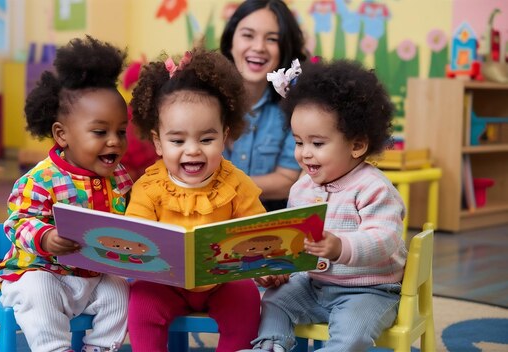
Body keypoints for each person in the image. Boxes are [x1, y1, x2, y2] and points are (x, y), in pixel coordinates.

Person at [240, 59, 408, 352]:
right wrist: (279, 269)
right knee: (273, 300)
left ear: (356, 145)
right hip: (313, 284)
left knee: (352, 331)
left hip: (369, 291)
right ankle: (271, 345)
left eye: (317, 144)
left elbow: (385, 239)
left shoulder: (374, 188)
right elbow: (295, 245)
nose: (305, 154)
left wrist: (340, 247)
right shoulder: (302, 188)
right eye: (298, 142)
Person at [0, 36, 132, 352]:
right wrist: (45, 237)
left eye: (121, 131)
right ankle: (55, 348)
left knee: (121, 291)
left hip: (95, 276)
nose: (114, 141)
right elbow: (18, 222)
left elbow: (132, 218)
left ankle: (99, 346)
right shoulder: (42, 179)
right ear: (62, 134)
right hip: (41, 273)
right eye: (100, 132)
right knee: (37, 293)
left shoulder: (121, 177)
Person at [126, 48, 267, 352]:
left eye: (206, 139)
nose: (192, 151)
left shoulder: (236, 183)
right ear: (158, 143)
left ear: (225, 135)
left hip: (223, 285)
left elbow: (259, 231)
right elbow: (135, 237)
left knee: (247, 298)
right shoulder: (148, 187)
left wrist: (264, 266)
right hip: (165, 285)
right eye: (177, 140)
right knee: (141, 302)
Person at [220, 0, 310, 211]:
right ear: (230, 41)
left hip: (268, 221)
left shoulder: (296, 107)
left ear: (285, 48)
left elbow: (288, 181)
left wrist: (221, 188)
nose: (259, 47)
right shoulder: (202, 99)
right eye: (248, 35)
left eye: (272, 39)